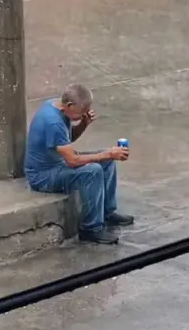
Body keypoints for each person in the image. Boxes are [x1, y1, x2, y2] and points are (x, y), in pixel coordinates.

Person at [24, 84, 133, 245]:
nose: (83, 115)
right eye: (81, 112)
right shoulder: (53, 122)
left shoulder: (57, 106)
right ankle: (91, 229)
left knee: (106, 161)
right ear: (69, 105)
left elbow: (66, 140)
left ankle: (107, 212)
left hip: (59, 163)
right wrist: (109, 153)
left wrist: (83, 124)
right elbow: (72, 161)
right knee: (93, 170)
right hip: (43, 176)